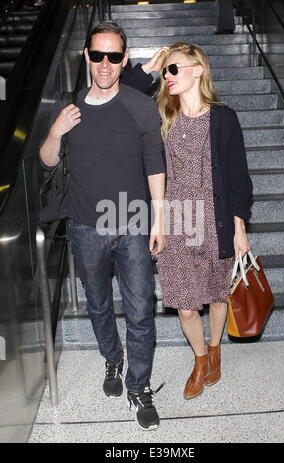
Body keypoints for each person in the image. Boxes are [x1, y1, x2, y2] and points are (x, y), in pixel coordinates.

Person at [39, 22, 166, 431]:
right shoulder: (69, 106)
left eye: (114, 56)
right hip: (84, 226)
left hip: (131, 223)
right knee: (97, 305)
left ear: (125, 59)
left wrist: (159, 218)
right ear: (87, 57)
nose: (105, 64)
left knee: (140, 310)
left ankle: (139, 385)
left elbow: (155, 164)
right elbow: (46, 160)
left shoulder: (140, 104)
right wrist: (56, 130)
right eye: (98, 55)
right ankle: (112, 357)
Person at [156, 43, 253, 400]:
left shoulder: (223, 118)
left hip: (215, 219)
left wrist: (240, 227)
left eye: (174, 68)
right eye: (165, 71)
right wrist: (151, 65)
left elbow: (238, 176)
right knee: (184, 305)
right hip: (177, 220)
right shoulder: (163, 116)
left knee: (216, 295)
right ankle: (199, 361)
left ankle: (215, 348)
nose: (168, 76)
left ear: (198, 70)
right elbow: (124, 98)